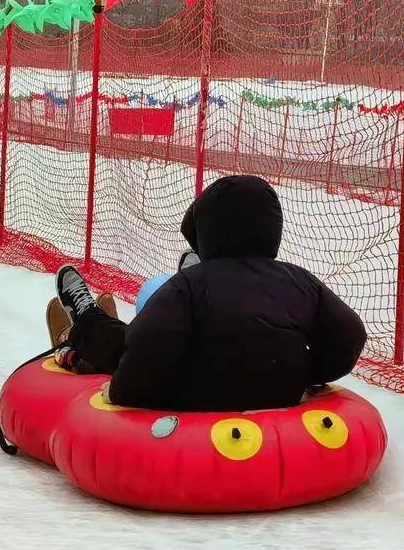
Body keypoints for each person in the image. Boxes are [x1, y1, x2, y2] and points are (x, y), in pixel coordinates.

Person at [50, 175, 367, 412]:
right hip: (277, 392)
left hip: (192, 392)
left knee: (125, 341)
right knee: (161, 329)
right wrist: (307, 371)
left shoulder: (187, 287)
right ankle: (95, 319)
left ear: (207, 233)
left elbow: (148, 345)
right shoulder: (299, 280)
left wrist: (124, 392)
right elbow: (349, 334)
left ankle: (86, 319)